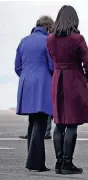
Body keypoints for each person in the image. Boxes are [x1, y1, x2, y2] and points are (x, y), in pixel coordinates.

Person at [46, 5, 88, 174]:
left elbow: (52, 60)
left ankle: (59, 163)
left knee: (59, 123)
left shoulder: (50, 39)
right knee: (72, 123)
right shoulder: (77, 38)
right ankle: (67, 163)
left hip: (57, 79)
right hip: (73, 79)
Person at [14, 16, 54, 172]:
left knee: (32, 122)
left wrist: (27, 77)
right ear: (48, 27)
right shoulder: (48, 41)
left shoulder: (24, 41)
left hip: (26, 83)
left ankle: (32, 161)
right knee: (41, 122)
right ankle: (36, 163)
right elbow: (52, 65)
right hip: (42, 84)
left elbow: (17, 66)